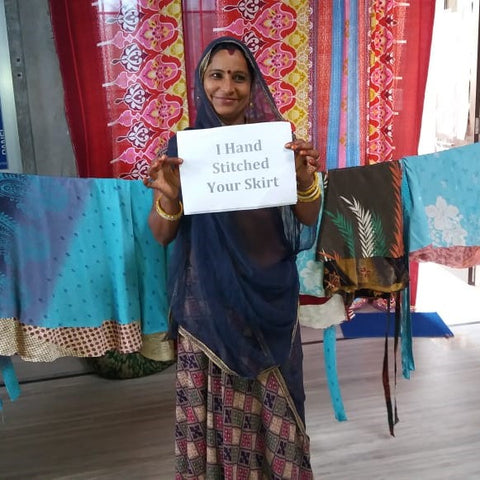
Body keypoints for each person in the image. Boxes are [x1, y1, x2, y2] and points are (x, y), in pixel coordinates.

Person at [144, 36, 321, 479]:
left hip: (269, 302)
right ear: (202, 82)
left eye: (239, 77)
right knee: (214, 419)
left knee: (277, 412)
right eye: (217, 75)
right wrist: (169, 198)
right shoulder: (184, 150)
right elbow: (163, 234)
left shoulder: (277, 146)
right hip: (206, 307)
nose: (228, 87)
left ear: (253, 84)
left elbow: (308, 216)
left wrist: (303, 178)